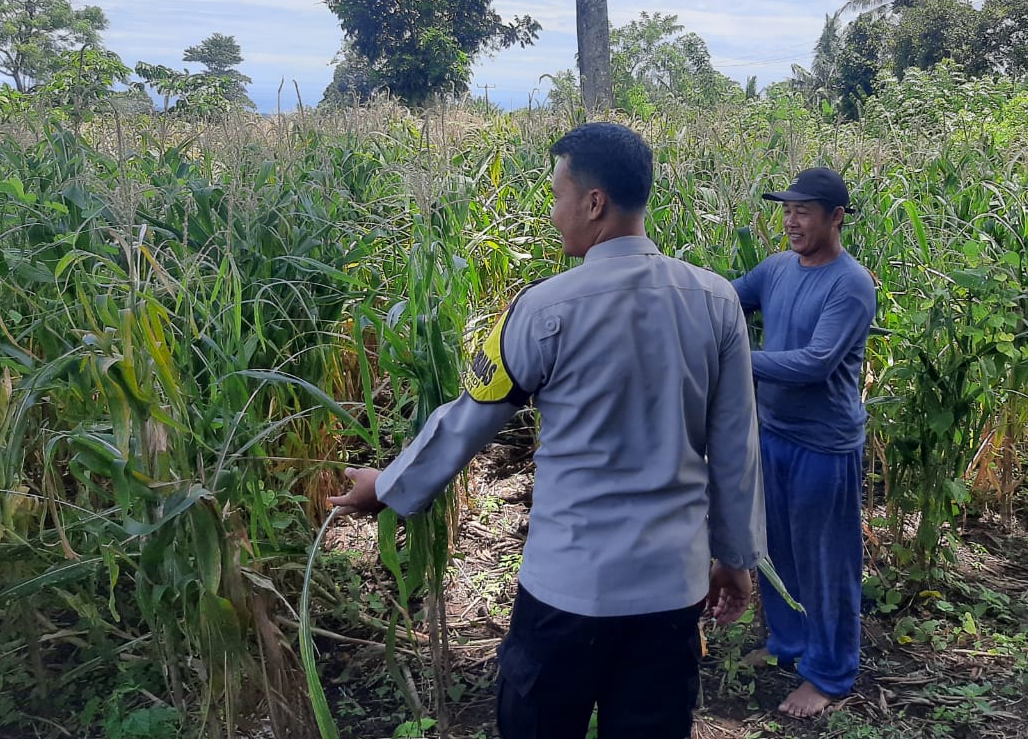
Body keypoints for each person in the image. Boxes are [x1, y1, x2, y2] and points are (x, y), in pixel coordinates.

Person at [330, 122, 767, 739]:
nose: (552, 213)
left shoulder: (543, 308)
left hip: (568, 589)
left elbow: (469, 418)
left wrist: (387, 486)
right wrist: (736, 558)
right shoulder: (717, 302)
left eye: (558, 195)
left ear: (595, 203)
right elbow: (736, 449)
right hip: (672, 588)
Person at [730, 167, 877, 719]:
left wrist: (734, 360)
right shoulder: (775, 269)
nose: (791, 221)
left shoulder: (850, 284)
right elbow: (726, 300)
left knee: (826, 562)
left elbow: (817, 363)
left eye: (804, 212)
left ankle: (829, 673)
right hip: (774, 433)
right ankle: (789, 644)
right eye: (787, 211)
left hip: (824, 444)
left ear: (836, 217)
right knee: (776, 550)